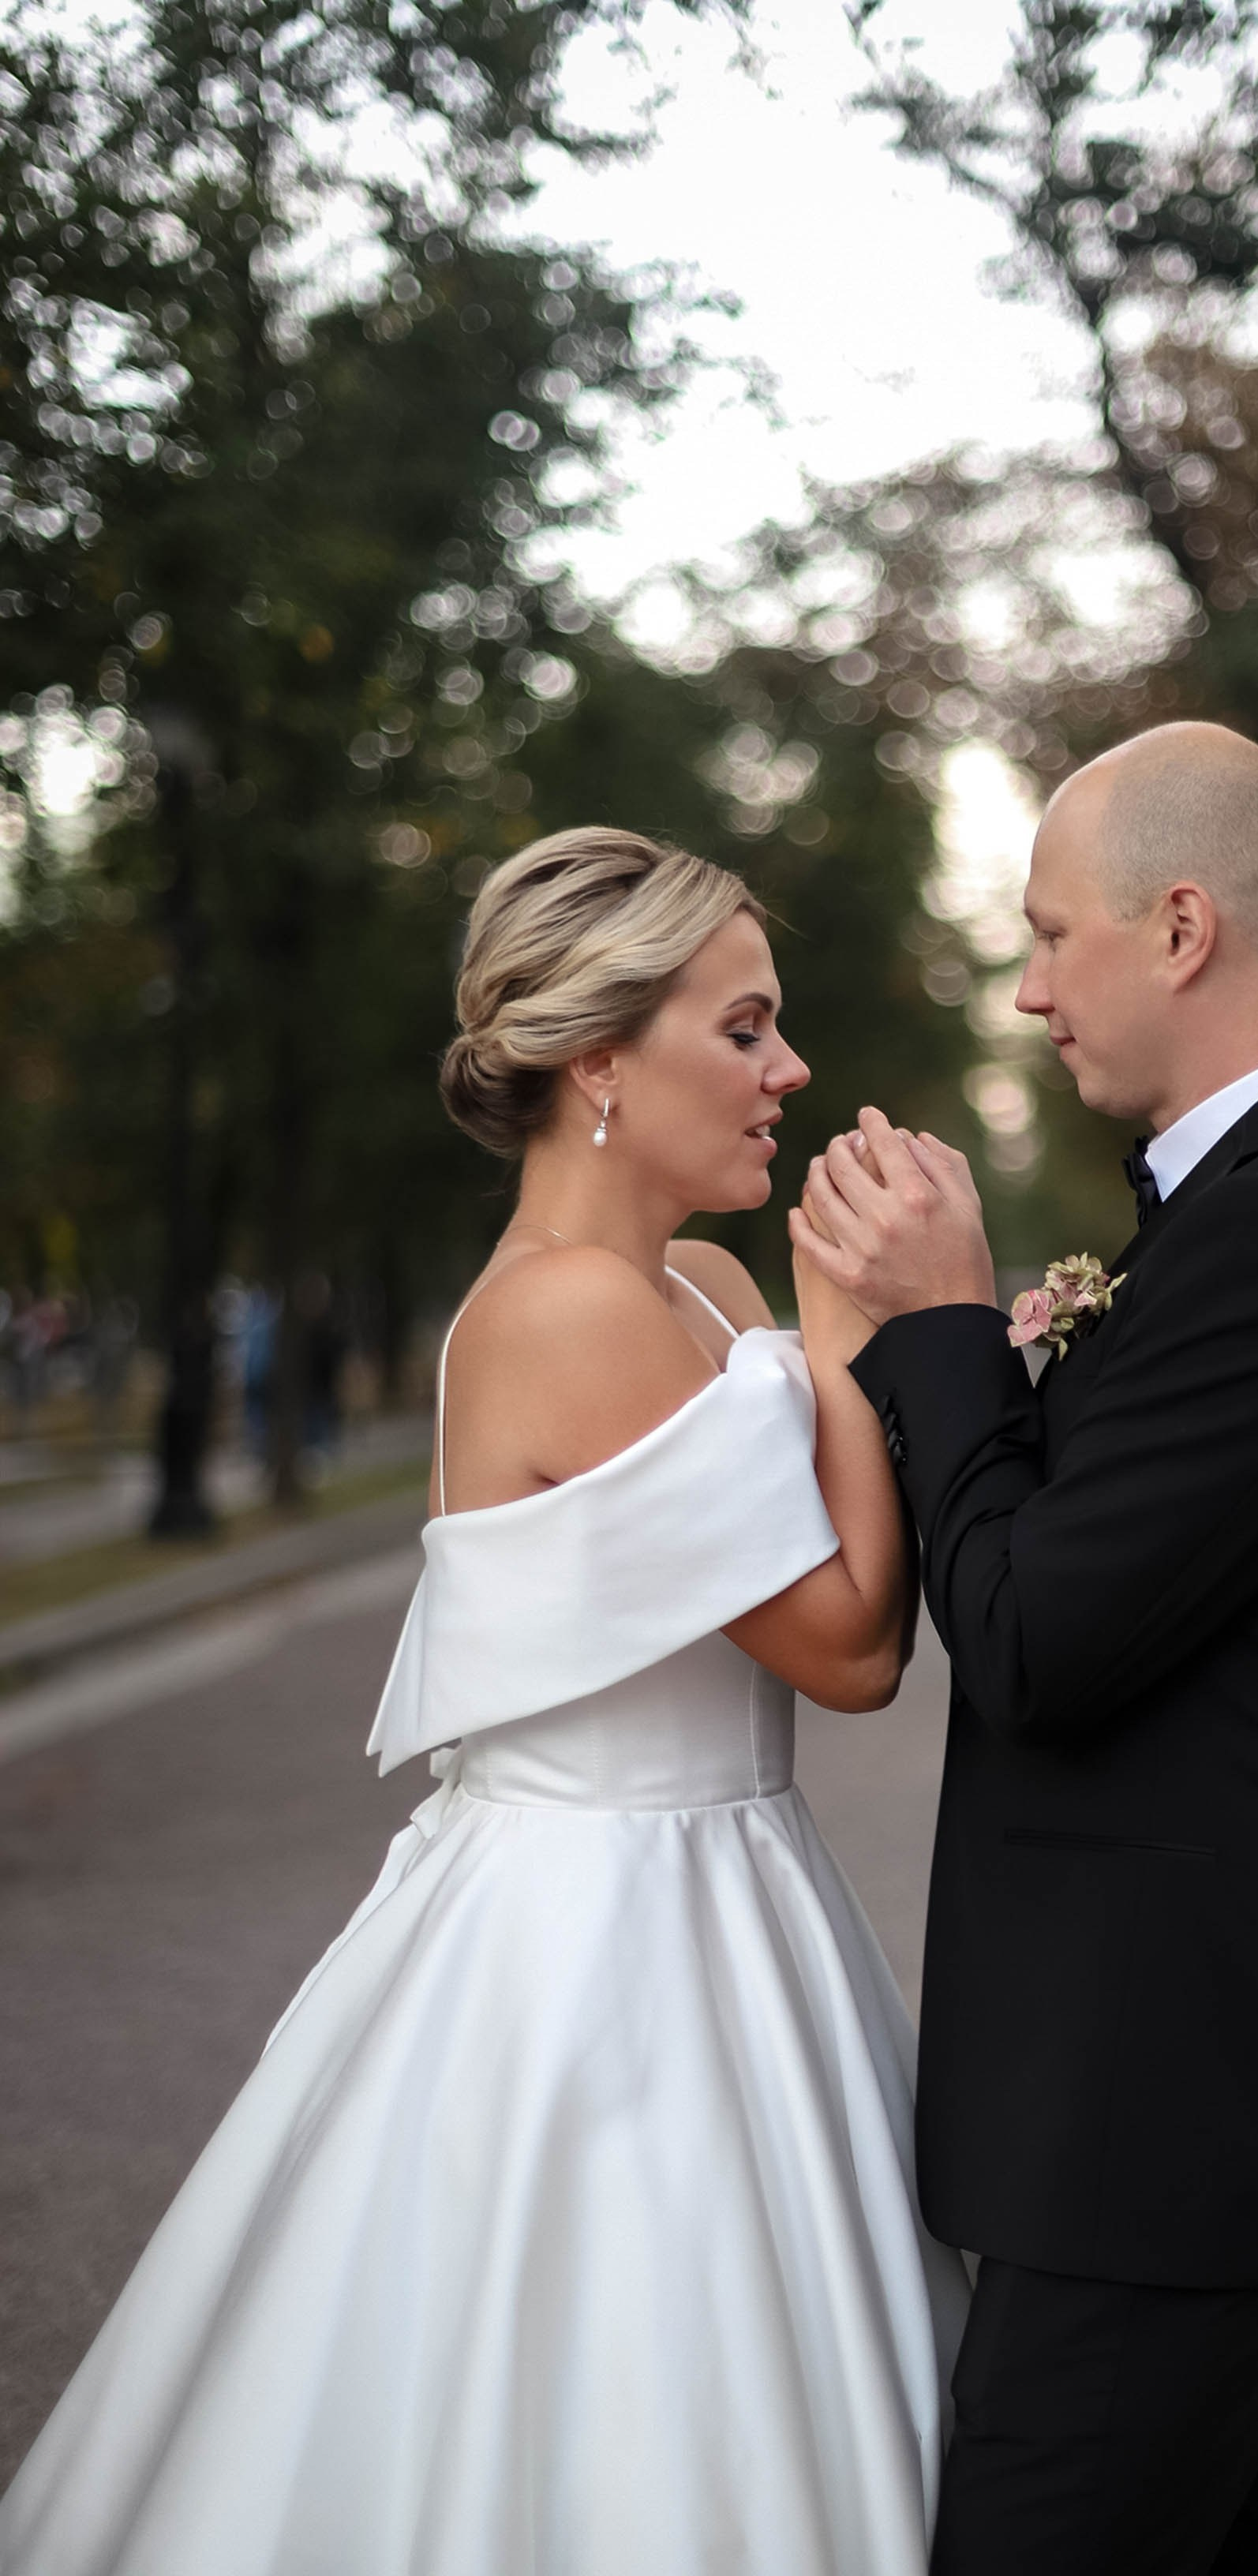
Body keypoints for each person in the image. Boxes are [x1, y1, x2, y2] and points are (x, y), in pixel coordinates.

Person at [0, 826, 968, 2576]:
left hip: (737, 1894)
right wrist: (852, 1330)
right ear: (599, 1060)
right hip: (602, 1936)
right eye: (744, 1028)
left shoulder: (699, 1286)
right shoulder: (569, 1314)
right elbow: (849, 1648)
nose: (790, 1071)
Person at [794, 722, 1258, 2575]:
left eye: (1046, 937)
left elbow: (1029, 1641)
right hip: (1200, 2107)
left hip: (1164, 2121)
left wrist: (945, 1332)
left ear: (1178, 926)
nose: (1027, 993)